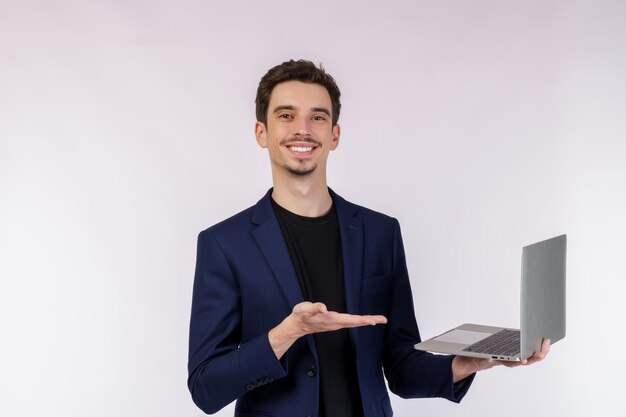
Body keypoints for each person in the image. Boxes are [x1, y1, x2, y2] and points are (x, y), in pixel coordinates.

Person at [187, 59, 550, 417]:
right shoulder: (224, 244)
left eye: (317, 116)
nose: (303, 129)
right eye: (286, 115)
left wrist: (465, 363)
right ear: (261, 133)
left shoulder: (380, 234)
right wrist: (287, 332)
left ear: (334, 135)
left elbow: (401, 367)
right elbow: (205, 388)